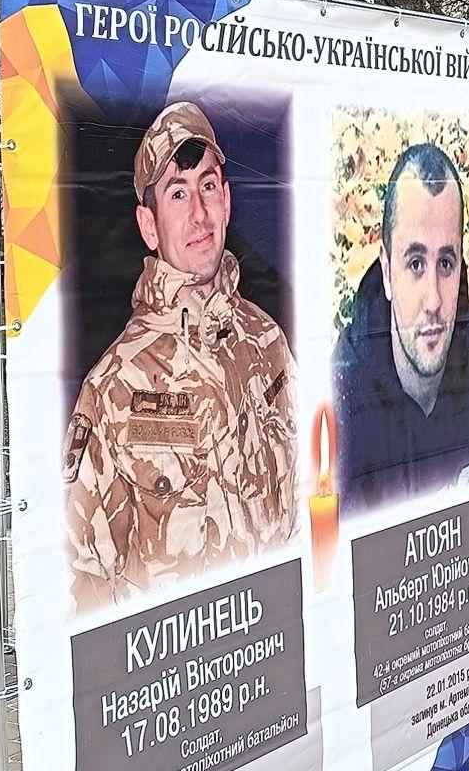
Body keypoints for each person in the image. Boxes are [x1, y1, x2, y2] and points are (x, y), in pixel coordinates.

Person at [64, 102, 297, 611]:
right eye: (177, 193)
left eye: (207, 186)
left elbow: (310, 495)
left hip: (278, 642)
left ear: (227, 200)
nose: (199, 213)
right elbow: (79, 577)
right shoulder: (113, 388)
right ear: (148, 226)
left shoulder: (267, 343)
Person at [333, 141, 469, 511]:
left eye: (445, 263)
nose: (433, 301)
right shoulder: (344, 402)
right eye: (414, 263)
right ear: (387, 272)